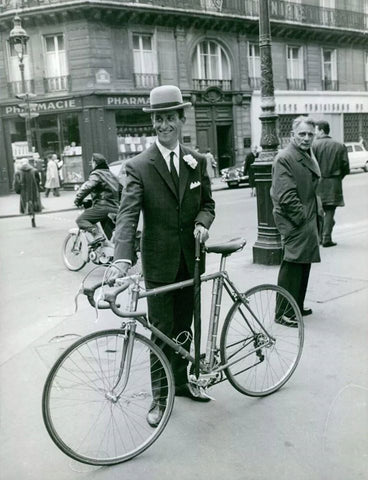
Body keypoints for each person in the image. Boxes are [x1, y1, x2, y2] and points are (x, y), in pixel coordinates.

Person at [111, 85, 216, 427]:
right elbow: (127, 215)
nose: (164, 125)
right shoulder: (139, 166)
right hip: (158, 263)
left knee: (185, 327)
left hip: (191, 260)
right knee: (161, 331)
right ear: (153, 122)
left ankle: (182, 382)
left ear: (181, 119)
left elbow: (208, 205)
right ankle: (159, 397)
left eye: (170, 117)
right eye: (158, 119)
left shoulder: (196, 161)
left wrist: (202, 223)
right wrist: (122, 258)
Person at [271, 116, 323, 326]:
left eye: (310, 134)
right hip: (296, 221)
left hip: (306, 218)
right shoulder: (285, 157)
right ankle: (283, 312)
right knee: (292, 265)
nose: (306, 138)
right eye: (302, 134)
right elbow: (285, 196)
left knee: (303, 264)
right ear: (292, 135)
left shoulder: (305, 153)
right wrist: (301, 219)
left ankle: (296, 306)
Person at [312, 120, 350, 247]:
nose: (314, 133)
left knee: (318, 211)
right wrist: (338, 177)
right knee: (330, 211)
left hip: (318, 183)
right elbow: (346, 167)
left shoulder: (314, 146)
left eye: (316, 130)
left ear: (322, 131)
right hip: (334, 183)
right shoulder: (339, 145)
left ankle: (320, 237)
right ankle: (326, 237)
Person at [74, 153, 121, 245]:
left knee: (80, 220)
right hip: (115, 209)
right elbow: (120, 191)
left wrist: (78, 200)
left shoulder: (97, 174)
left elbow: (88, 187)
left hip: (102, 207)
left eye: (92, 162)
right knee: (111, 239)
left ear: (95, 163)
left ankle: (96, 233)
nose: (91, 165)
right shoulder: (112, 175)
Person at [13, 158, 42, 228]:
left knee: (27, 204)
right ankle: (33, 218)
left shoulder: (18, 172)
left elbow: (16, 183)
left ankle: (31, 216)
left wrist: (18, 191)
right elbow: (38, 180)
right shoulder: (34, 171)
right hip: (33, 191)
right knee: (33, 203)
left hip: (24, 192)